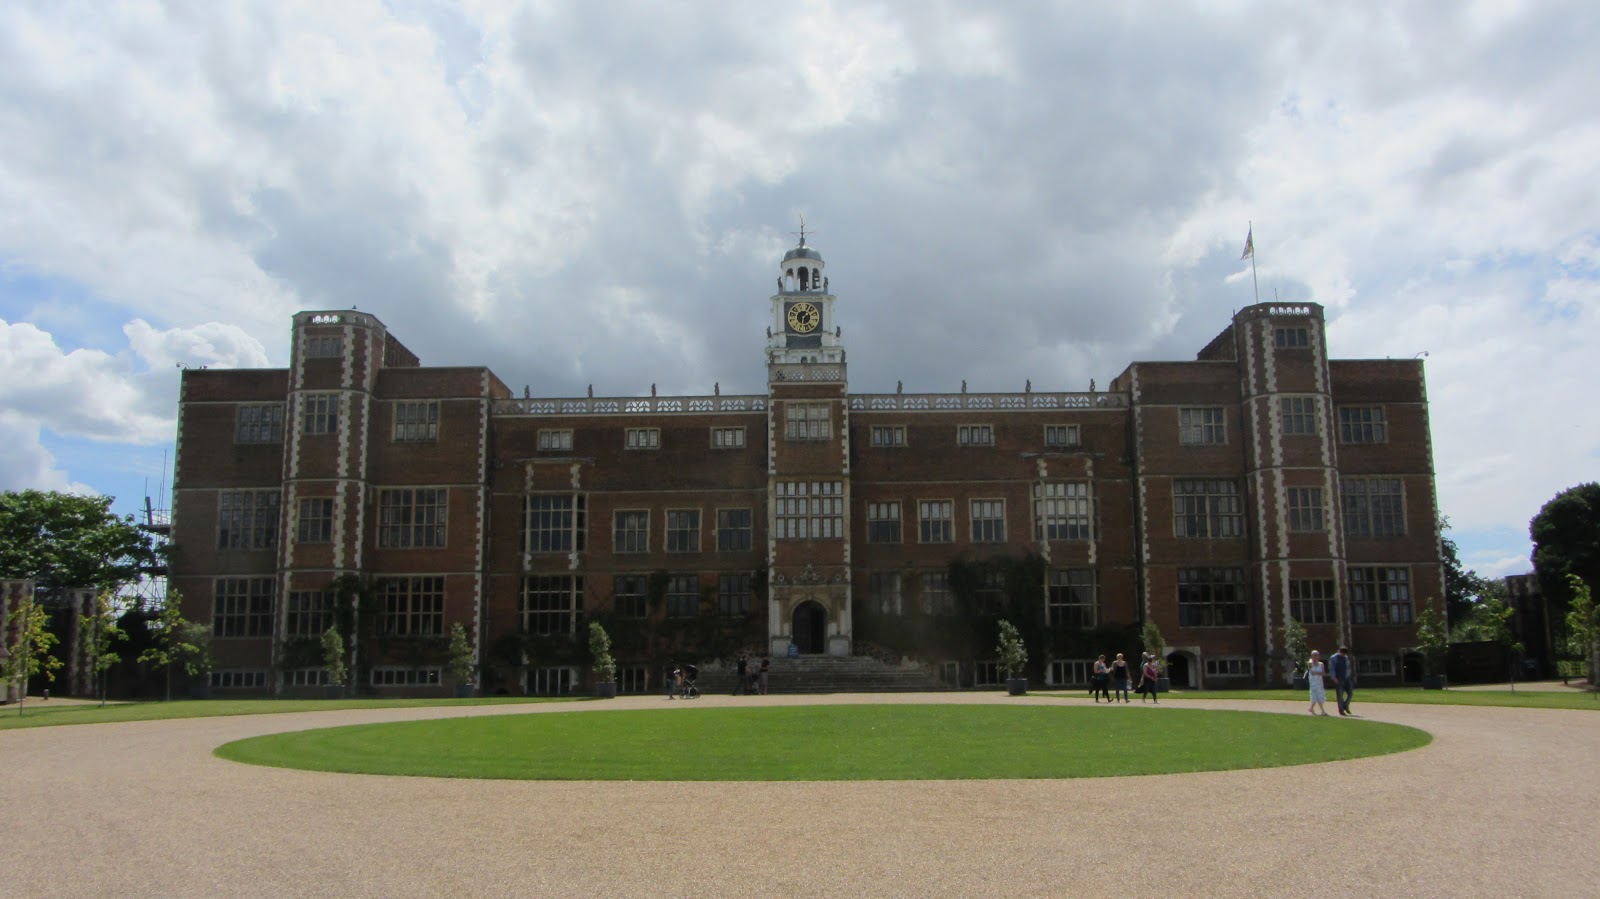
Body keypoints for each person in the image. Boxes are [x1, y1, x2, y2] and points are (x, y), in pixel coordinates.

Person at [1331, 645, 1356, 716]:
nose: (1343, 654)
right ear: (1339, 651)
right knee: (1340, 695)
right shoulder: (1333, 658)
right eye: (1342, 653)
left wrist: (1348, 675)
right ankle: (1341, 710)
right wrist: (1334, 678)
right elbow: (1331, 669)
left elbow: (1348, 667)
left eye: (1344, 653)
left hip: (1346, 678)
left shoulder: (1346, 658)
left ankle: (1345, 705)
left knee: (1350, 693)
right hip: (1338, 678)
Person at [1306, 650, 1329, 715]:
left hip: (1319, 683)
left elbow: (1323, 673)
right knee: (1315, 696)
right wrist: (1318, 673)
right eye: (1314, 655)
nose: (1315, 657)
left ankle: (1311, 708)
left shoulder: (1321, 664)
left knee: (1319, 696)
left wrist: (1316, 673)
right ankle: (1323, 711)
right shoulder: (1310, 664)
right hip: (1313, 683)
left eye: (1317, 655)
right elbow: (1311, 672)